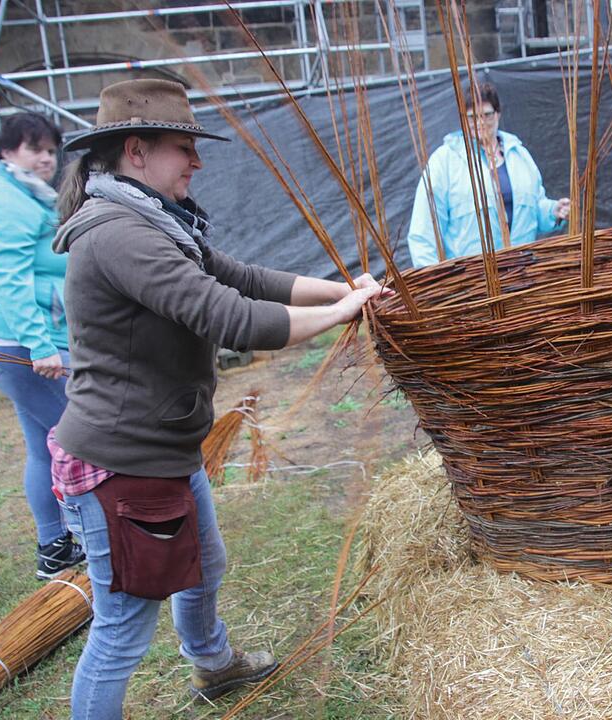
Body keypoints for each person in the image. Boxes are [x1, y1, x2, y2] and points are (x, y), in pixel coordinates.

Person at [50, 79, 388, 718]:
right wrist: (347, 310)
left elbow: (243, 277)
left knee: (206, 562)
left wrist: (344, 286)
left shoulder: (155, 218)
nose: (197, 163)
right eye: (184, 148)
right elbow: (228, 315)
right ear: (137, 151)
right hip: (121, 464)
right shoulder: (119, 233)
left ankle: (212, 664)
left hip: (164, 448)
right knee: (123, 626)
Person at [0, 112, 84, 580]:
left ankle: (54, 549)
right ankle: (87, 536)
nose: (47, 159)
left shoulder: (22, 193)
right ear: (7, 150)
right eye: (35, 149)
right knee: (77, 436)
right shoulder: (0, 201)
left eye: (52, 150)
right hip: (18, 343)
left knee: (43, 444)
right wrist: (38, 345)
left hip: (26, 339)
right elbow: (7, 281)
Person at [406, 82, 570, 268]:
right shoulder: (445, 161)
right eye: (472, 117)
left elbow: (532, 209)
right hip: (472, 279)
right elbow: (424, 230)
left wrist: (552, 211)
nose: (480, 122)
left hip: (521, 271)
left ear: (498, 113)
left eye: (487, 115)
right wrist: (433, 281)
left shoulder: (519, 154)